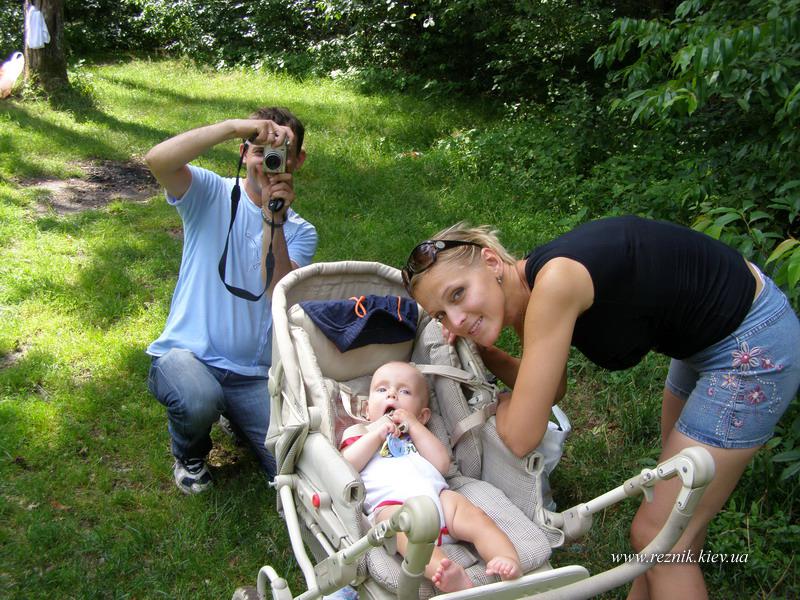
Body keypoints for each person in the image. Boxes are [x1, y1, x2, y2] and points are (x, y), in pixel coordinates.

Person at [401, 215, 800, 599]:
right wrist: (487, 355)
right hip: (703, 339)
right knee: (676, 520)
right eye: (441, 315)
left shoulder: (555, 282)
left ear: (491, 261)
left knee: (660, 535)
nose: (455, 320)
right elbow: (552, 388)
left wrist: (499, 407)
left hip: (749, 345)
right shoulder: (527, 289)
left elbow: (521, 437)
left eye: (458, 294)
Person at [145, 107, 318, 494]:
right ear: (243, 151)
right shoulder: (209, 192)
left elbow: (278, 291)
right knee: (198, 398)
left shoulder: (301, 231)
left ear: (298, 161)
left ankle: (235, 416)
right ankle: (189, 453)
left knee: (292, 465)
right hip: (188, 356)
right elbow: (157, 160)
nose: (268, 160)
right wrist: (234, 127)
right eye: (259, 150)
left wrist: (274, 219)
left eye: (281, 152)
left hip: (253, 375)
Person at [340, 361, 522, 593]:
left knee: (477, 518)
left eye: (405, 392)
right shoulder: (359, 435)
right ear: (367, 410)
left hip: (440, 499)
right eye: (382, 389)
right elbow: (347, 465)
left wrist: (414, 426)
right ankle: (444, 571)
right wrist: (376, 434)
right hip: (394, 508)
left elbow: (442, 465)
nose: (392, 394)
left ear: (423, 415)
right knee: (400, 531)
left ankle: (505, 557)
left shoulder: (418, 436)